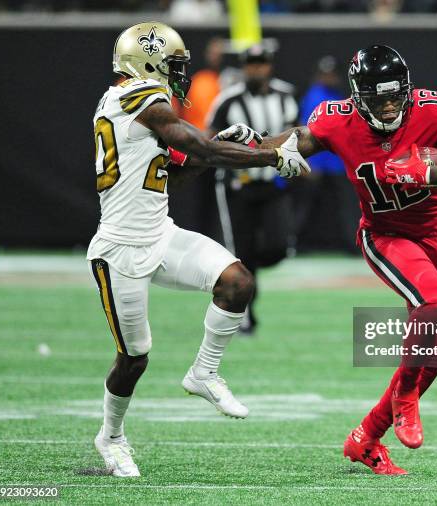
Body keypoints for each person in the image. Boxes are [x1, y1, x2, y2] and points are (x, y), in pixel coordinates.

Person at [259, 45, 437, 475]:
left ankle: (365, 438)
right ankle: (405, 400)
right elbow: (293, 141)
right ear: (357, 96)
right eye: (378, 97)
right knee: (435, 303)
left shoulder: (431, 111)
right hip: (386, 236)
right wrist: (251, 147)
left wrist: (432, 172)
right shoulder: (337, 119)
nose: (389, 106)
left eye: (395, 96)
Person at [88, 21, 309, 477]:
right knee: (134, 359)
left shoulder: (140, 105)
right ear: (147, 63)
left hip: (160, 233)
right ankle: (111, 436)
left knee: (237, 282)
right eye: (173, 64)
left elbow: (174, 173)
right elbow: (188, 141)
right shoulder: (132, 96)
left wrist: (213, 152)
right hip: (120, 248)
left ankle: (203, 373)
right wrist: (268, 155)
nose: (179, 74)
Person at [207, 44, 299, 334]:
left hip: (272, 183)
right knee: (240, 251)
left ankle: (250, 275)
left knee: (278, 246)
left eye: (261, 63)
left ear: (270, 66)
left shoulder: (285, 96)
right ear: (244, 67)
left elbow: (297, 131)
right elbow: (210, 139)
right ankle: (242, 314)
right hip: (238, 186)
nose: (256, 69)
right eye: (251, 64)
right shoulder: (228, 100)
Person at [297, 55, 360, 253]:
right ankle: (294, 243)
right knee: (305, 207)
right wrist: (308, 163)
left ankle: (353, 244)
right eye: (325, 74)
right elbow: (305, 132)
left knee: (345, 206)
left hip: (336, 162)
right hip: (317, 162)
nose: (328, 77)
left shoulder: (340, 95)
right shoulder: (313, 96)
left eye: (331, 74)